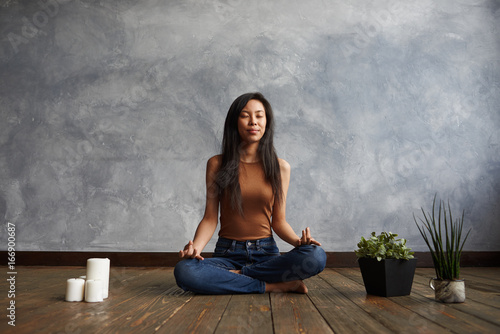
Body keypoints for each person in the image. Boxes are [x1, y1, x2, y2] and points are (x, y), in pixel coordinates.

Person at [174, 92, 326, 294]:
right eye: (245, 115)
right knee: (185, 271)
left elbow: (278, 222)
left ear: (266, 122)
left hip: (266, 254)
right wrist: (196, 250)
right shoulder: (216, 164)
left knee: (316, 256)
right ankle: (271, 285)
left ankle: (235, 276)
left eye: (259, 115)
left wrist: (298, 243)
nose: (253, 121)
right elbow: (210, 218)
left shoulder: (280, 167)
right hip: (227, 253)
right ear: (235, 122)